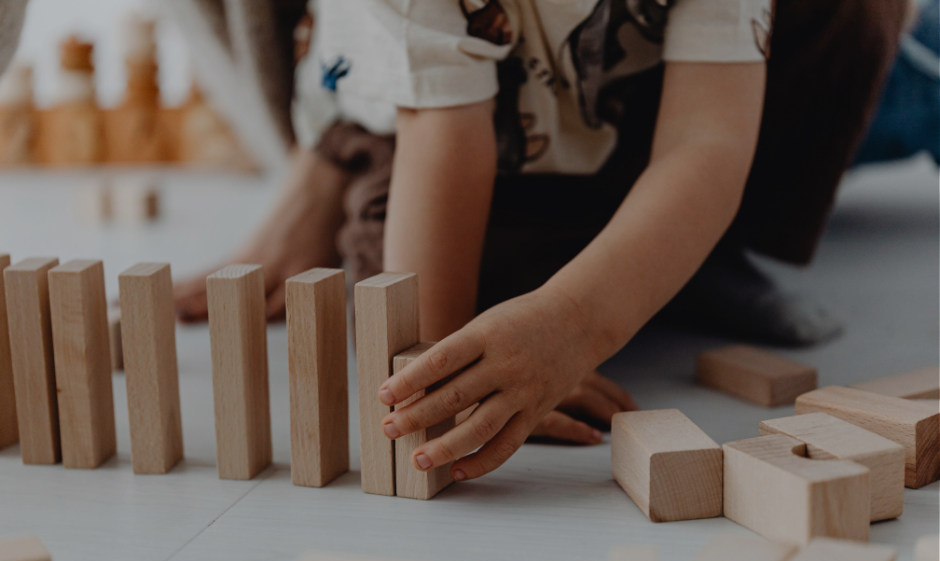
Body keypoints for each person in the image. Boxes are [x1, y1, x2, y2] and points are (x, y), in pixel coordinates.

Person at [170, 0, 909, 476]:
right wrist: (445, 367)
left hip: (623, 105)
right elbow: (442, 140)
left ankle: (687, 253)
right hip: (423, 117)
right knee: (410, 296)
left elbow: (706, 143)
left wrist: (579, 320)